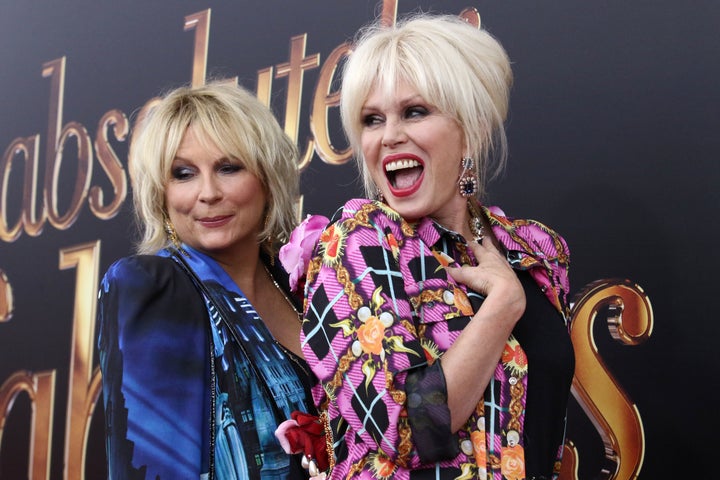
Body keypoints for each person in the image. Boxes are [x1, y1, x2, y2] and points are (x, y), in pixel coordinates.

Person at [296, 13, 575, 480]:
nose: (389, 136)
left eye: (415, 112)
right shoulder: (359, 240)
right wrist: (503, 305)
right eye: (372, 120)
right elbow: (408, 428)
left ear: (473, 127)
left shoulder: (536, 250)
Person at [97, 81, 317, 479]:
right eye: (183, 174)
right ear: (161, 195)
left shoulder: (306, 285)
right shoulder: (153, 288)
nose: (208, 192)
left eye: (228, 168)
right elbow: (154, 467)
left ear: (267, 180)